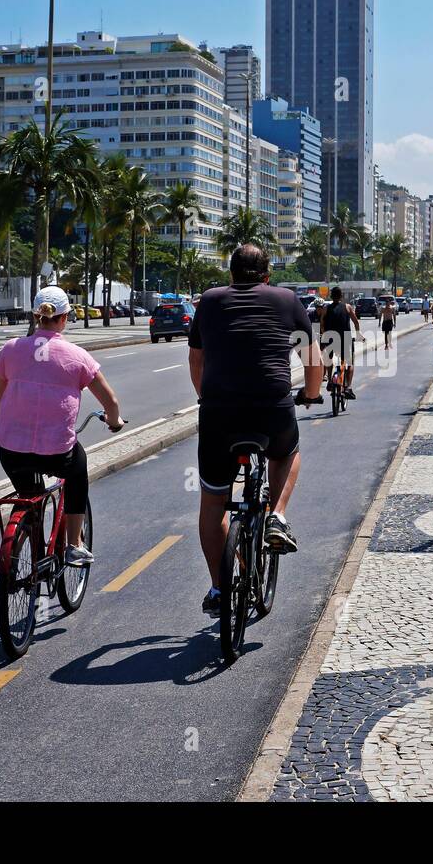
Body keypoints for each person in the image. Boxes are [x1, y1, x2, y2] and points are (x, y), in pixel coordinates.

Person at [189, 245, 323, 615]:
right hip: (271, 408)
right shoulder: (287, 300)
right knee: (287, 451)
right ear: (268, 275)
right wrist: (311, 395)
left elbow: (196, 360)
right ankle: (277, 515)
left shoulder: (209, 301)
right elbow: (313, 360)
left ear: (231, 274)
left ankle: (218, 589)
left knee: (213, 502)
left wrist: (207, 398)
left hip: (219, 414)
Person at [0, 286, 125, 570]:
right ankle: (74, 545)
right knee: (78, 470)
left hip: (11, 451)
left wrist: (14, 423)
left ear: (35, 315)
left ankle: (26, 534)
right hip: (57, 453)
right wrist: (114, 423)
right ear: (65, 317)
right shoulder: (77, 356)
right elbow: (111, 402)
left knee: (27, 492)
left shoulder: (11, 349)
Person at [320, 287, 360, 401]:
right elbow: (355, 321)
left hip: (330, 338)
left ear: (331, 296)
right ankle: (348, 387)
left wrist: (324, 335)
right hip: (345, 339)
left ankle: (329, 381)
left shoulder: (326, 308)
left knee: (328, 360)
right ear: (341, 296)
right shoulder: (347, 307)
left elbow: (322, 324)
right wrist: (358, 334)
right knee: (349, 363)